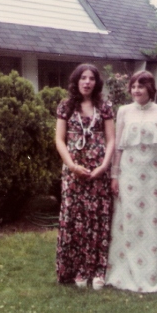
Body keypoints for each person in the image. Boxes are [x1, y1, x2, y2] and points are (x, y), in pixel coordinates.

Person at [105, 70, 157, 293]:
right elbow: (119, 147)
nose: (136, 90)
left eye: (140, 86)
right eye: (133, 86)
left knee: (153, 220)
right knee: (130, 220)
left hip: (155, 174)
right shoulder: (123, 111)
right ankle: (127, 272)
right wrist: (114, 175)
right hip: (129, 173)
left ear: (150, 89)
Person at [55, 63, 115, 290]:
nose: (87, 82)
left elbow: (111, 139)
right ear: (76, 81)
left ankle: (98, 271)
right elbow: (59, 140)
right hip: (74, 172)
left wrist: (103, 166)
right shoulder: (66, 106)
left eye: (91, 78)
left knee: (98, 220)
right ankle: (78, 271)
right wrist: (71, 166)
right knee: (75, 220)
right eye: (83, 78)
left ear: (96, 82)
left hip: (98, 172)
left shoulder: (105, 106)